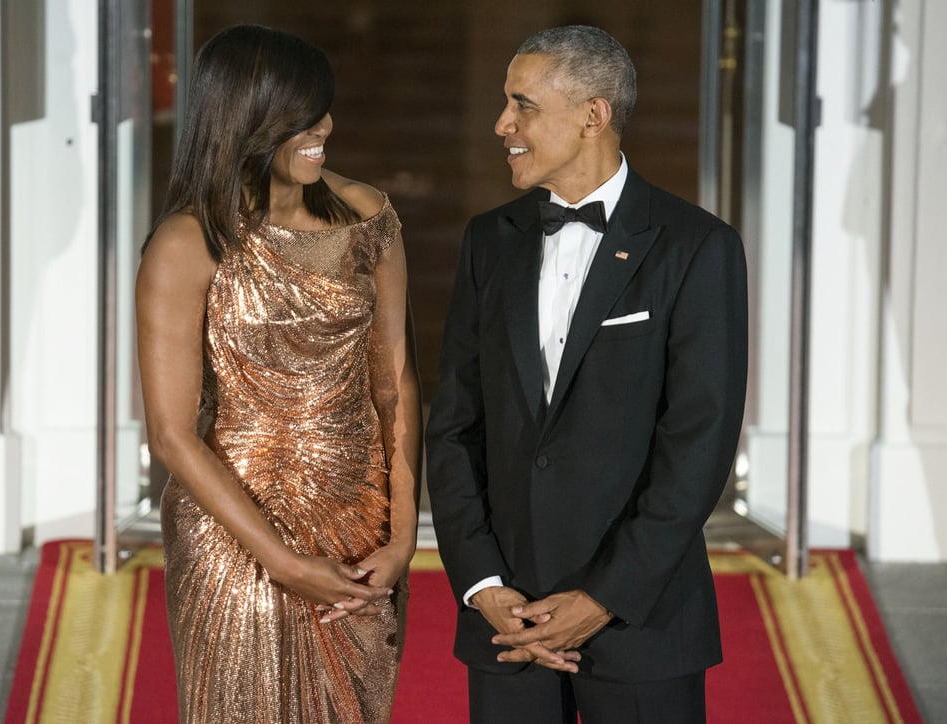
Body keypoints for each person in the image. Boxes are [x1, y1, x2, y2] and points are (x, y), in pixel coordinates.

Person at [425, 25, 747, 723]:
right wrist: (483, 585)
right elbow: (454, 425)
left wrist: (603, 597)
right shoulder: (490, 240)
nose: (501, 124)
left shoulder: (697, 247)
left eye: (523, 106)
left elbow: (699, 443)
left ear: (593, 115)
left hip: (642, 622)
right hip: (507, 624)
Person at [136, 25, 421, 724]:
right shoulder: (189, 242)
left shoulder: (367, 215)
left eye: (322, 110)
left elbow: (396, 380)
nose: (323, 127)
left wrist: (406, 530)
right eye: (302, 116)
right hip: (237, 528)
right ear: (248, 120)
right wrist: (284, 562)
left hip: (360, 516)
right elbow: (173, 436)